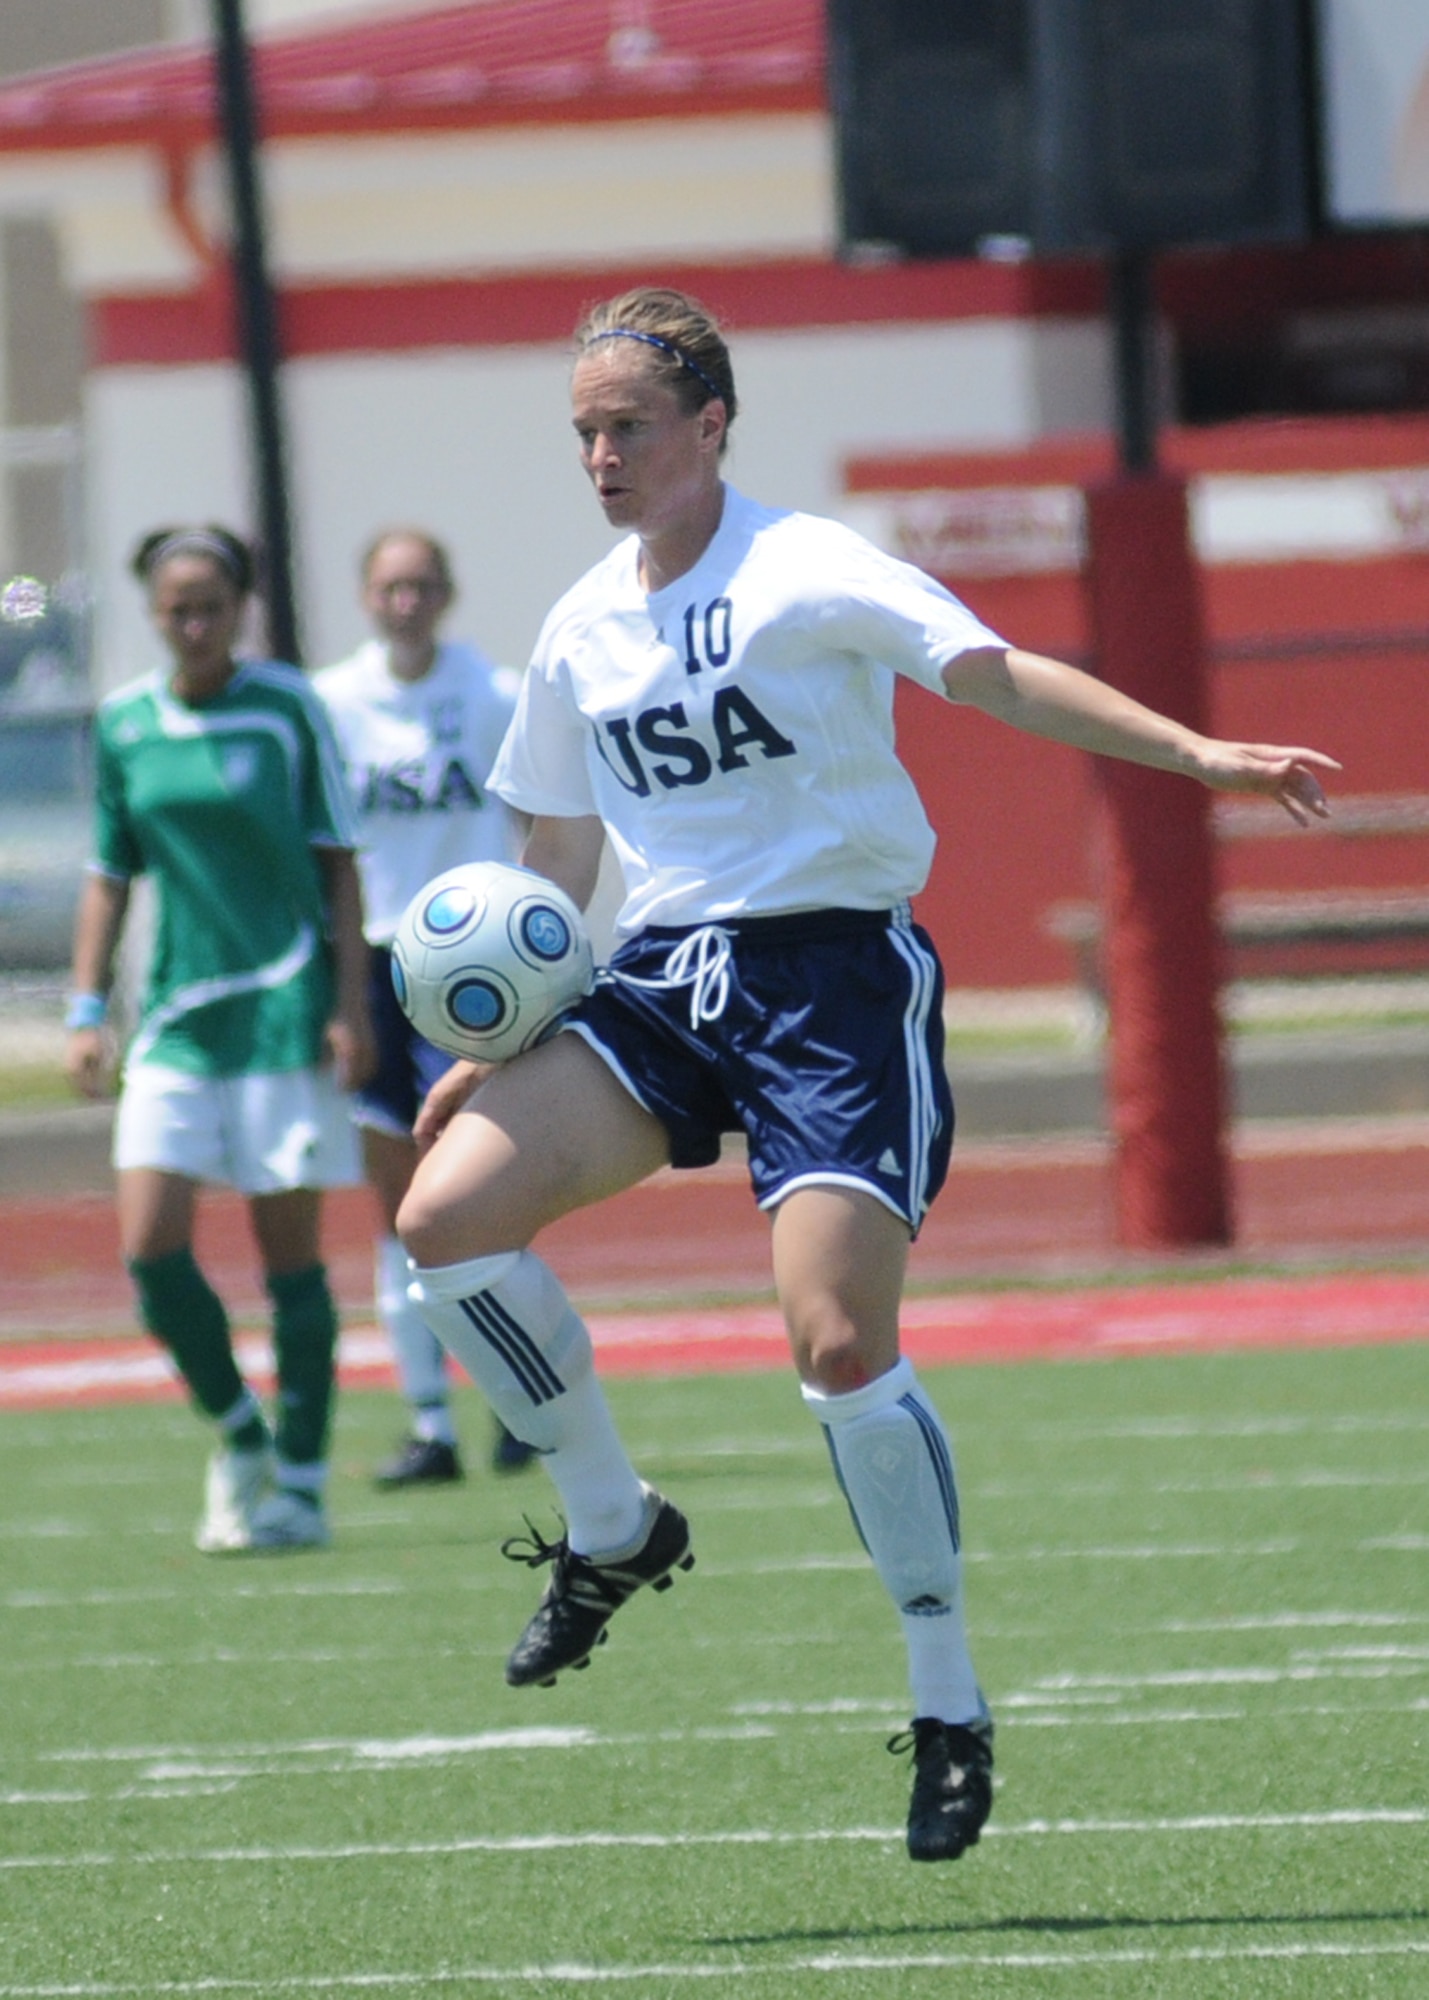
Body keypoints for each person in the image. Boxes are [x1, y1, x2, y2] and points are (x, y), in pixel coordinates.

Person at [394, 286, 1338, 1863]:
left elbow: (992, 671)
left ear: (710, 426)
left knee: (836, 1340)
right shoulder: (580, 625)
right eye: (582, 431)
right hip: (660, 987)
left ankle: (947, 1696)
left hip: (830, 979)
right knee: (445, 1222)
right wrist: (488, 1041)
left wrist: (1198, 753)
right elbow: (555, 856)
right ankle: (616, 1529)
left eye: (627, 425)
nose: (601, 454)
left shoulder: (808, 565)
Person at [66, 525, 375, 1554]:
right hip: (173, 1024)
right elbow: (111, 872)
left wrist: (352, 1005)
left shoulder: (288, 707)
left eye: (210, 602)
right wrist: (83, 1005)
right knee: (150, 1250)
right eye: (174, 605)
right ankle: (238, 1431)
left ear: (240, 606)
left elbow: (338, 861)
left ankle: (301, 1478)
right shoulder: (123, 722)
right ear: (151, 611)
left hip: (285, 1015)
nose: (192, 621)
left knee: (289, 1260)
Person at [314, 529, 538, 1486]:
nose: (405, 602)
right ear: (366, 597)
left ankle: (525, 1404)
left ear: (445, 594)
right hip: (376, 969)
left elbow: (540, 817)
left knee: (492, 1199)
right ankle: (428, 1422)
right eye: (388, 586)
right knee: (396, 1209)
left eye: (421, 585)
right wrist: (340, 1002)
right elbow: (323, 856)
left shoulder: (493, 694)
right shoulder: (329, 704)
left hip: (478, 972)